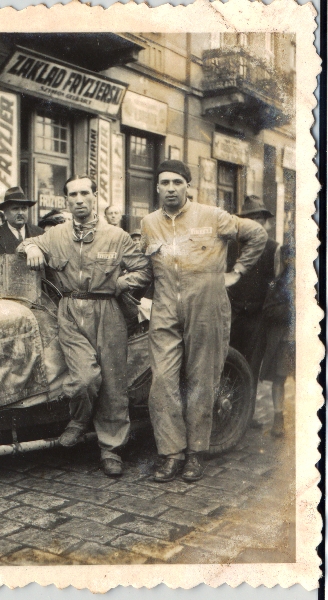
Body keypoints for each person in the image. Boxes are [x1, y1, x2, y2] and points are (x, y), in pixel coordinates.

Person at [129, 160, 267, 483]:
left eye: (178, 182)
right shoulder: (149, 223)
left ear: (188, 186)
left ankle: (195, 454)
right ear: (157, 187)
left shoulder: (213, 216)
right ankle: (171, 454)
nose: (171, 189)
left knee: (201, 379)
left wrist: (238, 271)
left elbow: (257, 234)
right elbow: (146, 266)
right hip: (165, 307)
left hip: (206, 306)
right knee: (161, 381)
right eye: (165, 183)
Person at [19, 174, 152, 477]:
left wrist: (123, 281)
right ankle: (78, 421)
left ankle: (111, 449)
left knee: (114, 384)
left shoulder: (116, 236)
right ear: (66, 200)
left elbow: (144, 269)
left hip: (108, 310)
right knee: (84, 380)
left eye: (84, 194)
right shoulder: (55, 235)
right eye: (72, 195)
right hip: (70, 311)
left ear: (95, 197)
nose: (78, 200)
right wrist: (32, 249)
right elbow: (24, 243)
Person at [227, 195, 280, 427]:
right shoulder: (231, 246)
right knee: (229, 362)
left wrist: (265, 308)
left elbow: (274, 282)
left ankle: (247, 416)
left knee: (251, 364)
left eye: (259, 218)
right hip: (233, 312)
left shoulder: (273, 249)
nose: (256, 223)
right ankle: (230, 413)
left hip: (257, 316)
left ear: (265, 222)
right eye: (250, 219)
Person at [259, 243, 295, 438]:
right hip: (285, 341)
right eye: (290, 258)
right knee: (279, 379)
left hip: (310, 342)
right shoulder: (277, 283)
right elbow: (268, 311)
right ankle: (278, 418)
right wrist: (292, 310)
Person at [0, 187, 44, 255]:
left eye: (24, 208)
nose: (20, 213)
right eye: (15, 209)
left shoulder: (40, 233)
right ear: (5, 212)